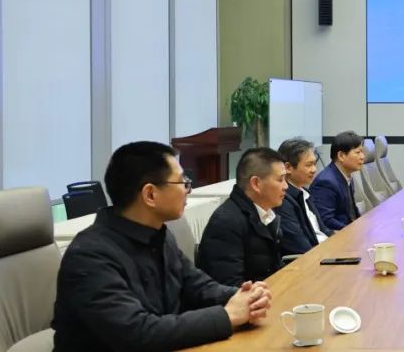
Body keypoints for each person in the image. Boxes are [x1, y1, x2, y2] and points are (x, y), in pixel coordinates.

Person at [52, 141, 271, 351]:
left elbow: (197, 286)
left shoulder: (159, 235)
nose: (188, 190)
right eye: (182, 182)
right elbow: (137, 333)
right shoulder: (89, 256)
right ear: (150, 194)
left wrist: (244, 297)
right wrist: (228, 316)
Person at [197, 147, 288, 286]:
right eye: (280, 179)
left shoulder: (266, 214)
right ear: (256, 183)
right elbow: (229, 285)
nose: (286, 186)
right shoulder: (227, 222)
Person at [276, 137, 332, 255]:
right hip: (313, 258)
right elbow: (301, 246)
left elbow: (323, 230)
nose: (314, 170)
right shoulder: (282, 200)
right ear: (288, 168)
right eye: (309, 165)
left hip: (325, 249)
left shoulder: (305, 193)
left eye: (315, 164)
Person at [309, 131, 365, 230]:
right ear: (341, 156)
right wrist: (353, 231)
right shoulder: (325, 182)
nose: (362, 157)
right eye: (357, 152)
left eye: (362, 152)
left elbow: (352, 212)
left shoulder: (346, 176)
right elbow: (326, 221)